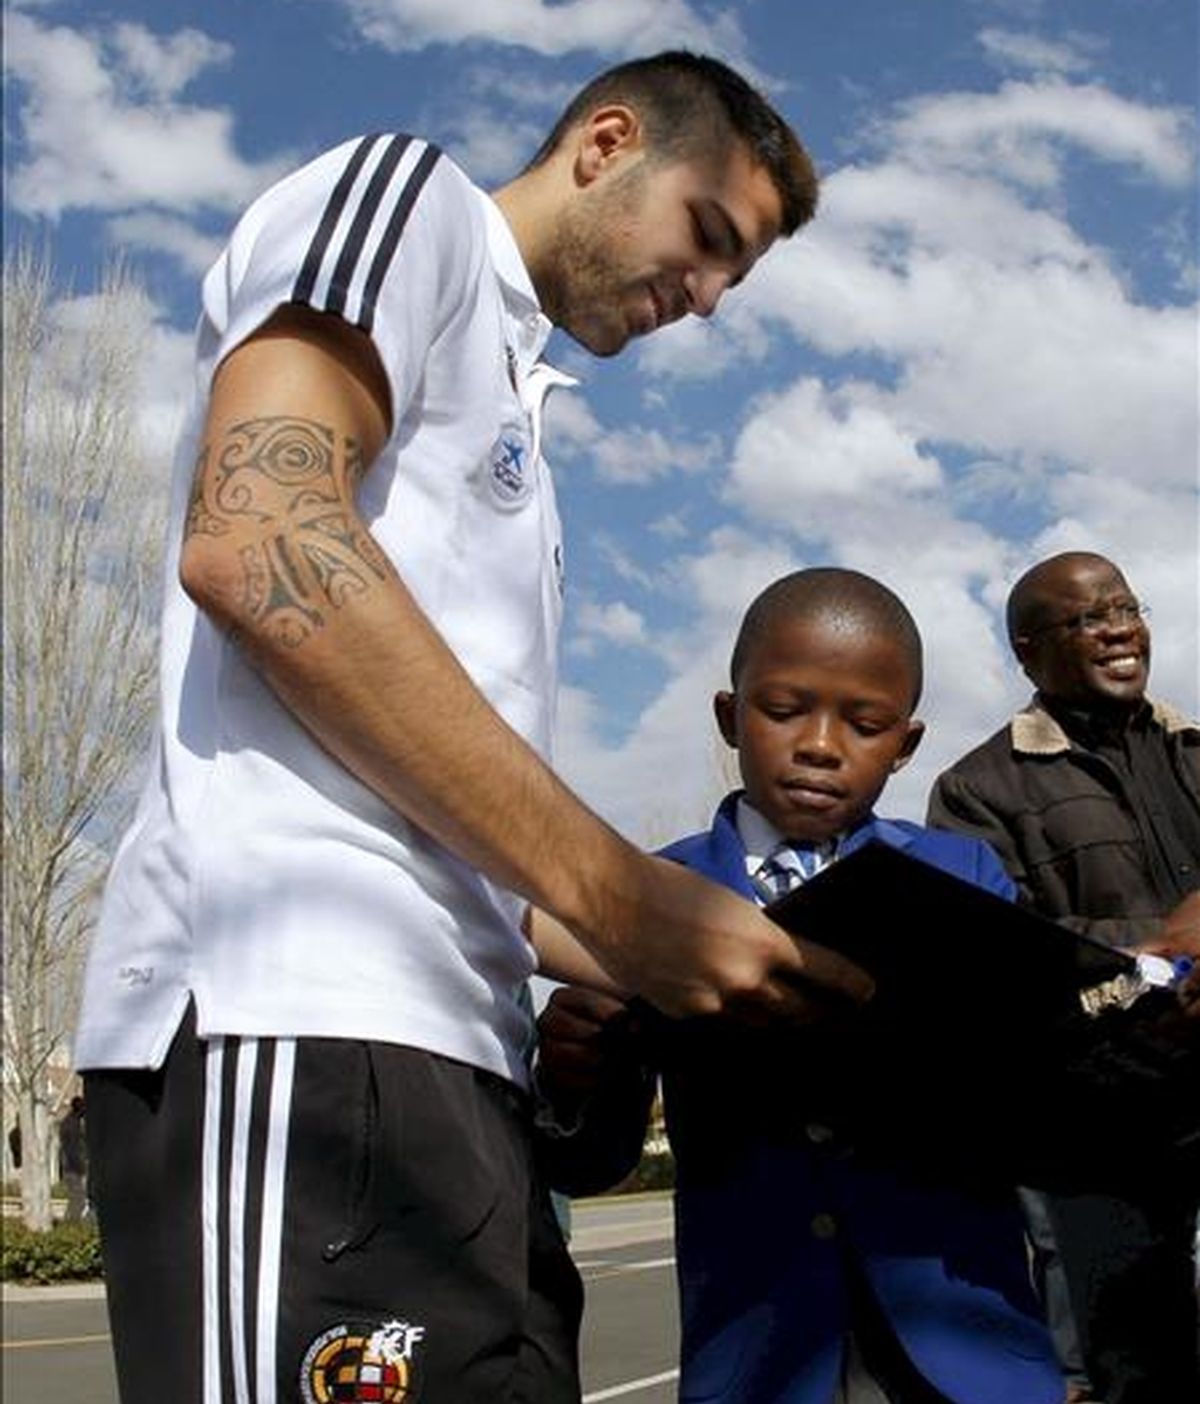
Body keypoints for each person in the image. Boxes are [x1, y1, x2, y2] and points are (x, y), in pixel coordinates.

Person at [73, 52, 874, 1404]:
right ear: (607, 143)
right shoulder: (408, 200)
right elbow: (260, 531)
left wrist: (719, 951)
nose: (709, 297)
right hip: (305, 1027)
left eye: (739, 279)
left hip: (466, 1078)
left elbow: (477, 836)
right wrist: (622, 897)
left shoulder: (523, 427)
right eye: (709, 238)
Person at [535, 568, 1066, 1404]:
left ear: (907, 743)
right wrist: (575, 1075)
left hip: (966, 1353)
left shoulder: (961, 877)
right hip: (762, 1358)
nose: (821, 743)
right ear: (730, 715)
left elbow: (1027, 1098)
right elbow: (592, 1160)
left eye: (865, 724)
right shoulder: (652, 896)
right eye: (784, 710)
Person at [927, 550, 1200, 1404]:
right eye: (1085, 618)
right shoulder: (975, 788)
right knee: (1138, 1369)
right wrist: (1161, 955)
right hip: (1098, 1131)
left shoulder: (1197, 748)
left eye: (1125, 606)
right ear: (1027, 650)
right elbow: (995, 953)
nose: (1117, 627)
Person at [58, 1095, 87, 1222]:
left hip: (70, 1166)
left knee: (75, 1199)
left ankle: (68, 1225)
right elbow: (72, 1150)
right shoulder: (72, 1125)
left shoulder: (69, 1122)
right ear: (78, 1109)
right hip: (72, 1167)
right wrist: (81, 1168)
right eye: (83, 1109)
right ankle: (71, 1227)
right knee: (78, 1200)